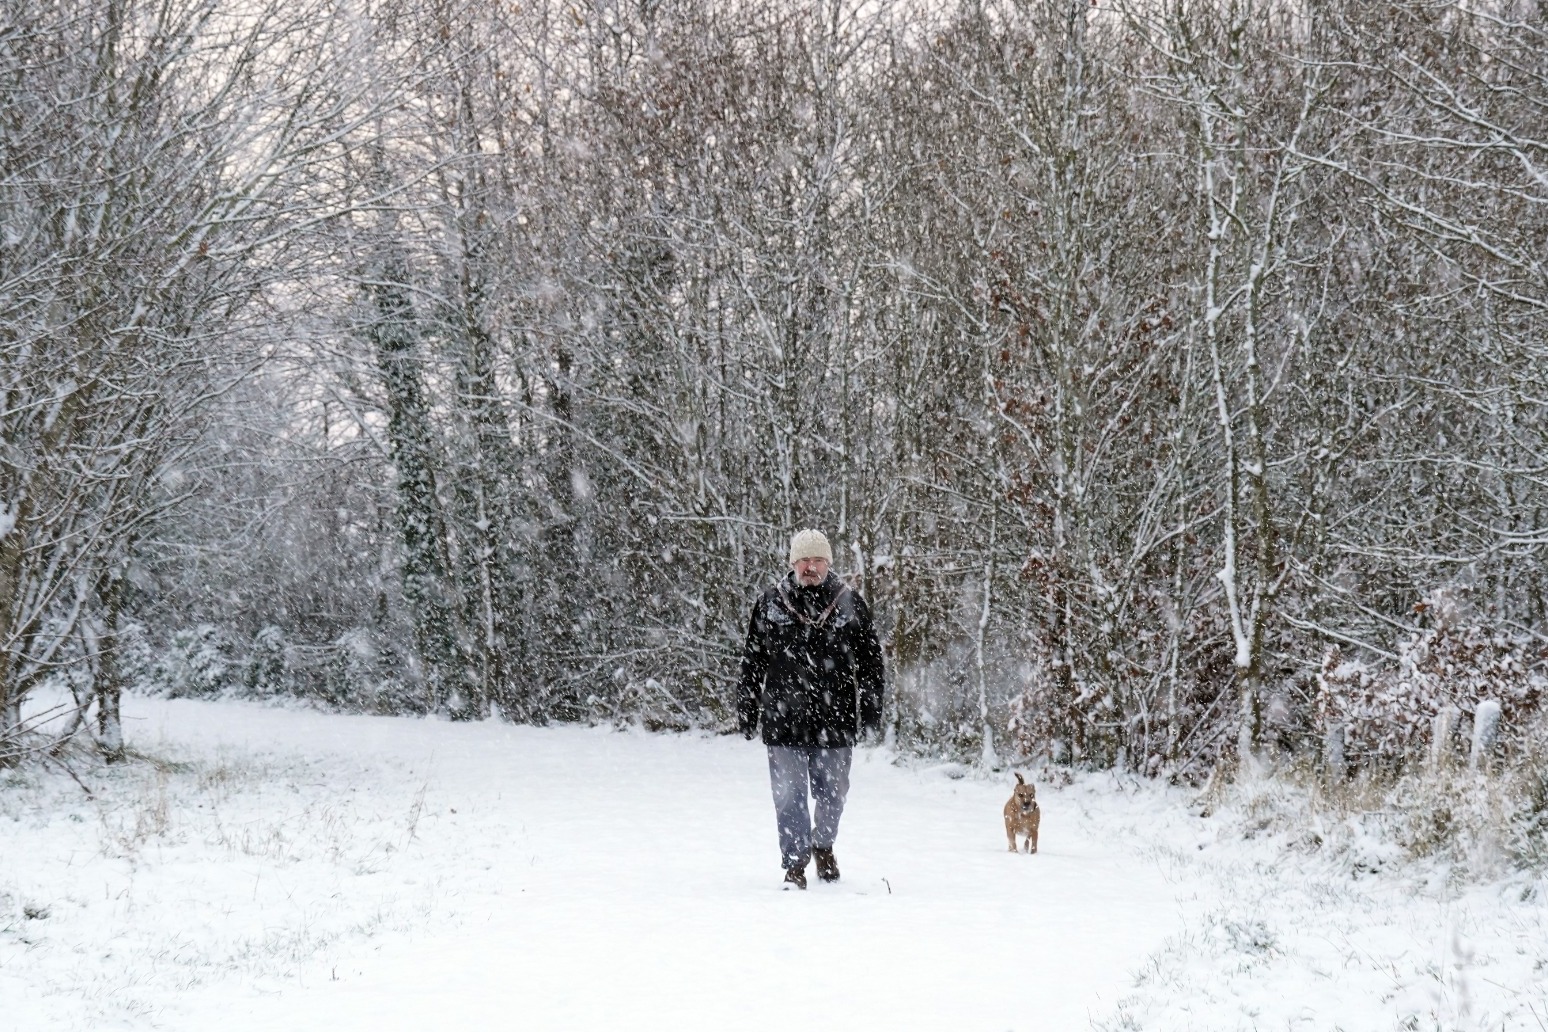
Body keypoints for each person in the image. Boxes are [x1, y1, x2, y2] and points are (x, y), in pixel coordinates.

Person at [737, 528, 885, 889]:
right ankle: (795, 863)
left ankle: (824, 845)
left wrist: (871, 709)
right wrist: (747, 705)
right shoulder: (771, 603)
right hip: (783, 718)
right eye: (804, 560)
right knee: (788, 795)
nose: (810, 567)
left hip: (835, 719)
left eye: (817, 560)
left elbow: (870, 663)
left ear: (828, 563)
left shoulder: (849, 603)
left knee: (833, 793)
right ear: (793, 563)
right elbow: (753, 660)